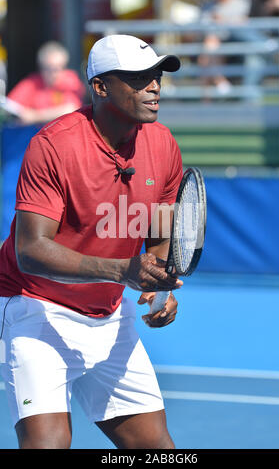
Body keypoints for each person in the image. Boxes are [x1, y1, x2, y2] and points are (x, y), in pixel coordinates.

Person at [0, 34, 184, 449]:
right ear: (100, 87)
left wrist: (156, 293)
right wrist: (123, 270)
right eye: (138, 78)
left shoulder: (164, 145)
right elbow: (29, 252)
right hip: (35, 307)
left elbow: (158, 234)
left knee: (158, 452)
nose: (154, 86)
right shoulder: (52, 146)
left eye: (157, 76)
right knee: (48, 444)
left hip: (110, 313)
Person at [7, 41, 86, 125]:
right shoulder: (32, 82)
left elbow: (71, 110)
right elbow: (10, 107)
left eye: (58, 68)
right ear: (40, 67)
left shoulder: (70, 79)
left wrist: (35, 116)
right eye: (48, 68)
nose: (54, 73)